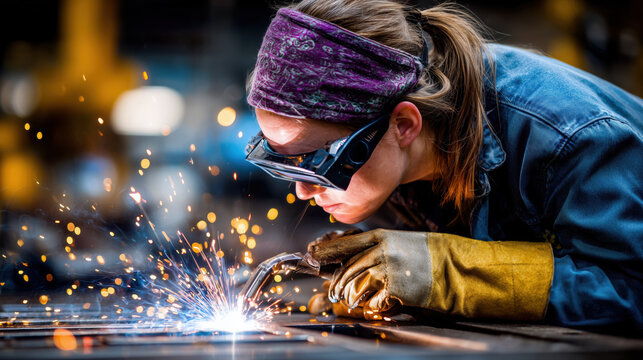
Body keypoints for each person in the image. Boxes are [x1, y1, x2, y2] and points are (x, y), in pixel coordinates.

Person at [244, 0, 643, 329]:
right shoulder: (386, 165)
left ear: (403, 125)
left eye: (319, 162)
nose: (303, 191)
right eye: (286, 164)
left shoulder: (565, 136)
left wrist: (447, 274)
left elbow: (631, 288)